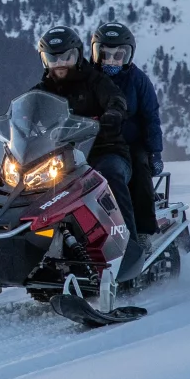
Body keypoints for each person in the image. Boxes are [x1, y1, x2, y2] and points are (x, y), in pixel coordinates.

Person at [31, 26, 137, 241]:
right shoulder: (43, 89)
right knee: (30, 186)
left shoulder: (95, 81)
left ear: (78, 55)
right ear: (44, 60)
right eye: (53, 58)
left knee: (110, 175)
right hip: (60, 158)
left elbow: (115, 98)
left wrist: (113, 113)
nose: (60, 63)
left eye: (66, 57)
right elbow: (27, 110)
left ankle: (130, 243)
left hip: (105, 150)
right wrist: (19, 125)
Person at [92, 21, 163, 237]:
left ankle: (143, 232)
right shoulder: (88, 78)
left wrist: (155, 152)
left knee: (140, 169)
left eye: (118, 55)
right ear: (96, 53)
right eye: (105, 54)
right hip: (92, 143)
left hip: (131, 144)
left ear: (128, 56)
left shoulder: (138, 80)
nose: (111, 60)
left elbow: (151, 117)